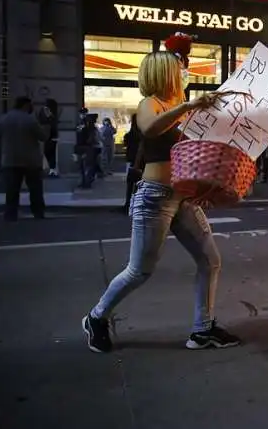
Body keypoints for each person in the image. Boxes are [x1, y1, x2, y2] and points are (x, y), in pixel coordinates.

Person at [83, 50, 240, 354]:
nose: (185, 74)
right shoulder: (150, 105)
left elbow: (193, 156)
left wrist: (203, 187)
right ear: (164, 73)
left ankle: (202, 329)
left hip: (184, 197)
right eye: (179, 70)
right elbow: (151, 128)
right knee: (139, 270)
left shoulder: (178, 108)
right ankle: (96, 317)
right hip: (154, 197)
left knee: (210, 260)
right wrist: (188, 106)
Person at [0, 97, 48, 221]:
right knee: (35, 189)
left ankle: (10, 214)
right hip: (30, 160)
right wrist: (46, 124)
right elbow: (43, 136)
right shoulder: (30, 120)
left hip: (10, 160)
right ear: (26, 105)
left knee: (12, 190)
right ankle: (38, 213)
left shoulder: (4, 119)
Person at [123, 113, 143, 214]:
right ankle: (134, 205)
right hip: (141, 162)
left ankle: (128, 204)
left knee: (130, 184)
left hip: (132, 161)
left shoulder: (129, 135)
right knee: (137, 185)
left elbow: (125, 144)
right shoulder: (142, 135)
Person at [39, 99, 59, 177]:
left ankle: (51, 169)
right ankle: (52, 169)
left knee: (48, 153)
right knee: (51, 153)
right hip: (51, 136)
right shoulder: (49, 111)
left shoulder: (44, 111)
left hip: (48, 136)